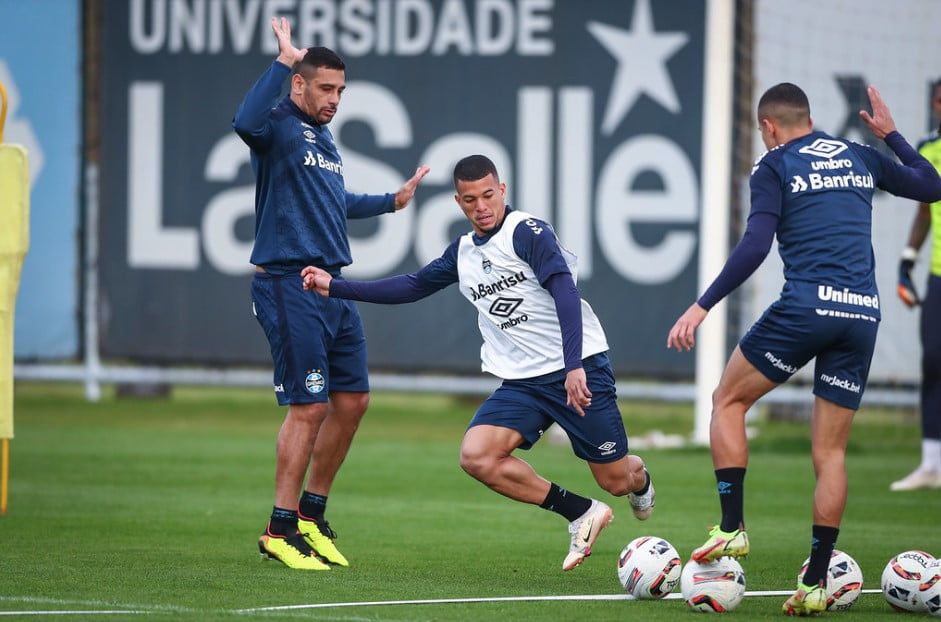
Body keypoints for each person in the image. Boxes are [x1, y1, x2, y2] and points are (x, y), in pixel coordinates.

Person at [302, 154, 655, 572]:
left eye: (488, 195)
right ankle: (580, 513)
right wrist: (336, 287)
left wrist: (574, 364)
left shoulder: (527, 232)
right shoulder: (464, 252)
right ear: (458, 202)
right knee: (477, 456)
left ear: (502, 190)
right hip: (523, 382)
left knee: (615, 479)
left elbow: (564, 291)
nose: (481, 206)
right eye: (470, 200)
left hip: (578, 369)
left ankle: (641, 481)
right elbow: (412, 286)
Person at [666, 83, 941, 615]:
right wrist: (893, 136)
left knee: (728, 400)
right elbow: (932, 187)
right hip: (861, 314)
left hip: (806, 309)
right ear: (809, 118)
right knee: (830, 452)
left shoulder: (774, 165)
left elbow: (755, 243)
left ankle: (730, 528)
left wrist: (702, 306)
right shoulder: (863, 154)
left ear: (769, 127)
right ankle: (815, 582)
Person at [232, 17, 429, 570]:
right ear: (300, 84)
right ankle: (279, 527)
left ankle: (311, 515)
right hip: (289, 282)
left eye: (341, 90)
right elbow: (243, 121)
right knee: (309, 407)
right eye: (325, 87)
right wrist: (284, 60)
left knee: (353, 400)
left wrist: (393, 200)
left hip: (332, 286)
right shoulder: (276, 125)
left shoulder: (322, 137)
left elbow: (334, 200)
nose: (335, 99)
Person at [891, 78, 941, 492]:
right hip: (938, 273)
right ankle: (930, 464)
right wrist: (907, 261)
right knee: (933, 363)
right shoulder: (928, 149)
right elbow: (926, 210)